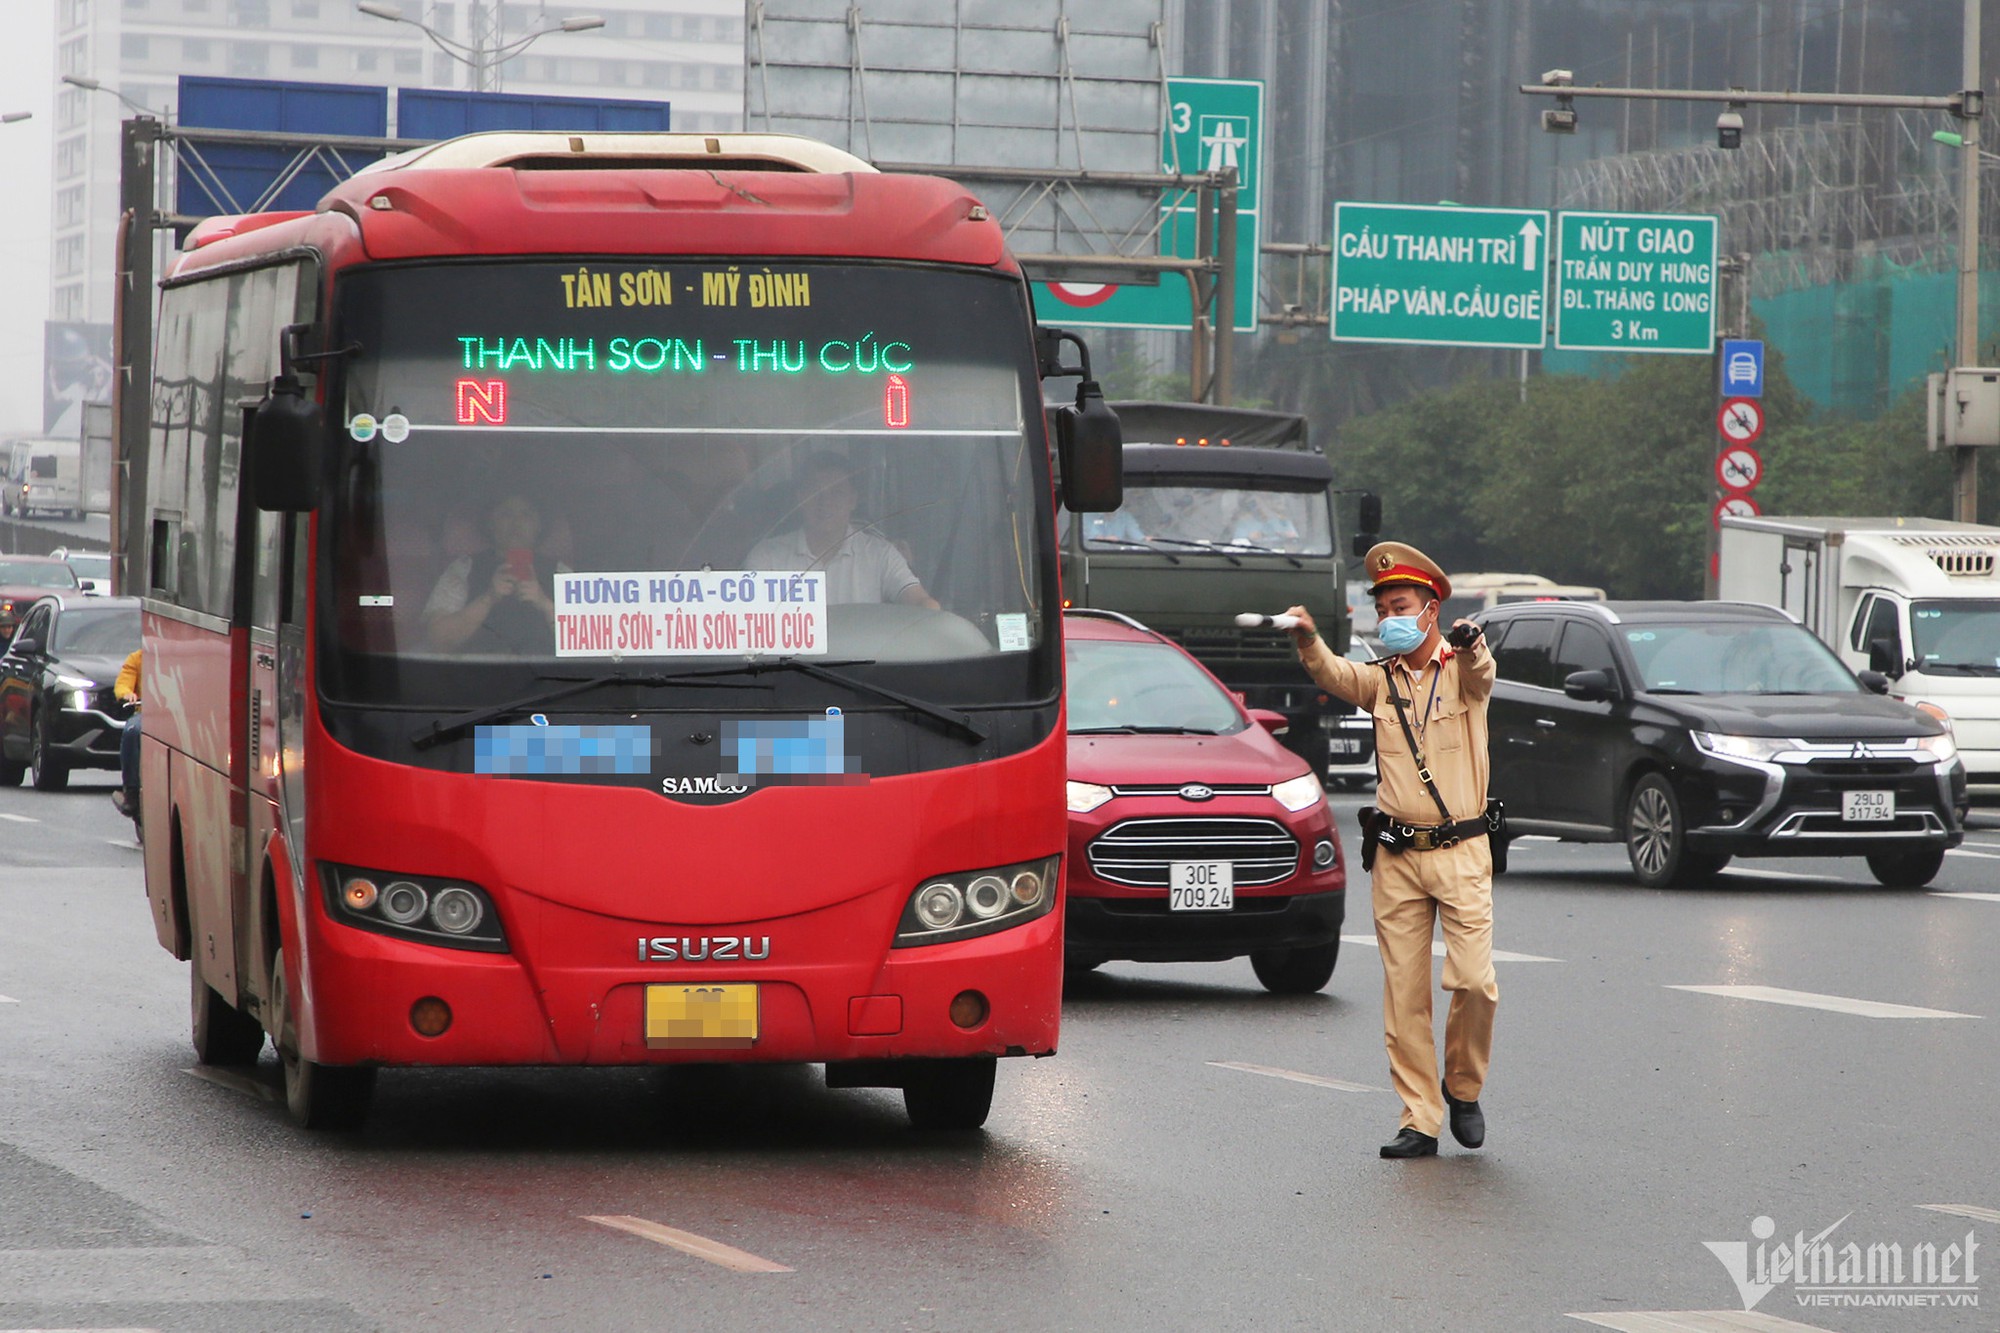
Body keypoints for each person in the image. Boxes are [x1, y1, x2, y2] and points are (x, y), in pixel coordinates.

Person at [1279, 542, 1498, 1160]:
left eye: (1400, 606)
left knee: (1475, 982)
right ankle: (1419, 1118)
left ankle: (1463, 1086)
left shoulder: (1463, 671)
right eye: (1382, 610)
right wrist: (1307, 639)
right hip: (1398, 855)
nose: (1389, 619)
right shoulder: (1381, 681)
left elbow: (1483, 672)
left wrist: (1472, 642)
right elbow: (1332, 674)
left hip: (1462, 849)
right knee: (1404, 994)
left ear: (1430, 609)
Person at [746, 453, 940, 608]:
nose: (825, 502)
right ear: (800, 497)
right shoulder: (766, 557)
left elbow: (918, 602)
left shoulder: (880, 554)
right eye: (815, 492)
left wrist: (930, 611)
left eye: (836, 492)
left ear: (853, 500)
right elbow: (746, 618)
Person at [423, 494, 567, 653]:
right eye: (506, 514)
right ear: (491, 524)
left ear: (539, 525)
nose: (516, 523)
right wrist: (488, 598)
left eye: (526, 515)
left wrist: (544, 603)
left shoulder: (561, 572)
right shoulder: (464, 568)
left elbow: (586, 642)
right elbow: (438, 639)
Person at [112, 648, 141, 821]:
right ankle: (131, 792)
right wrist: (127, 693)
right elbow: (122, 684)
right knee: (132, 731)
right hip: (146, 713)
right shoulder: (137, 659)